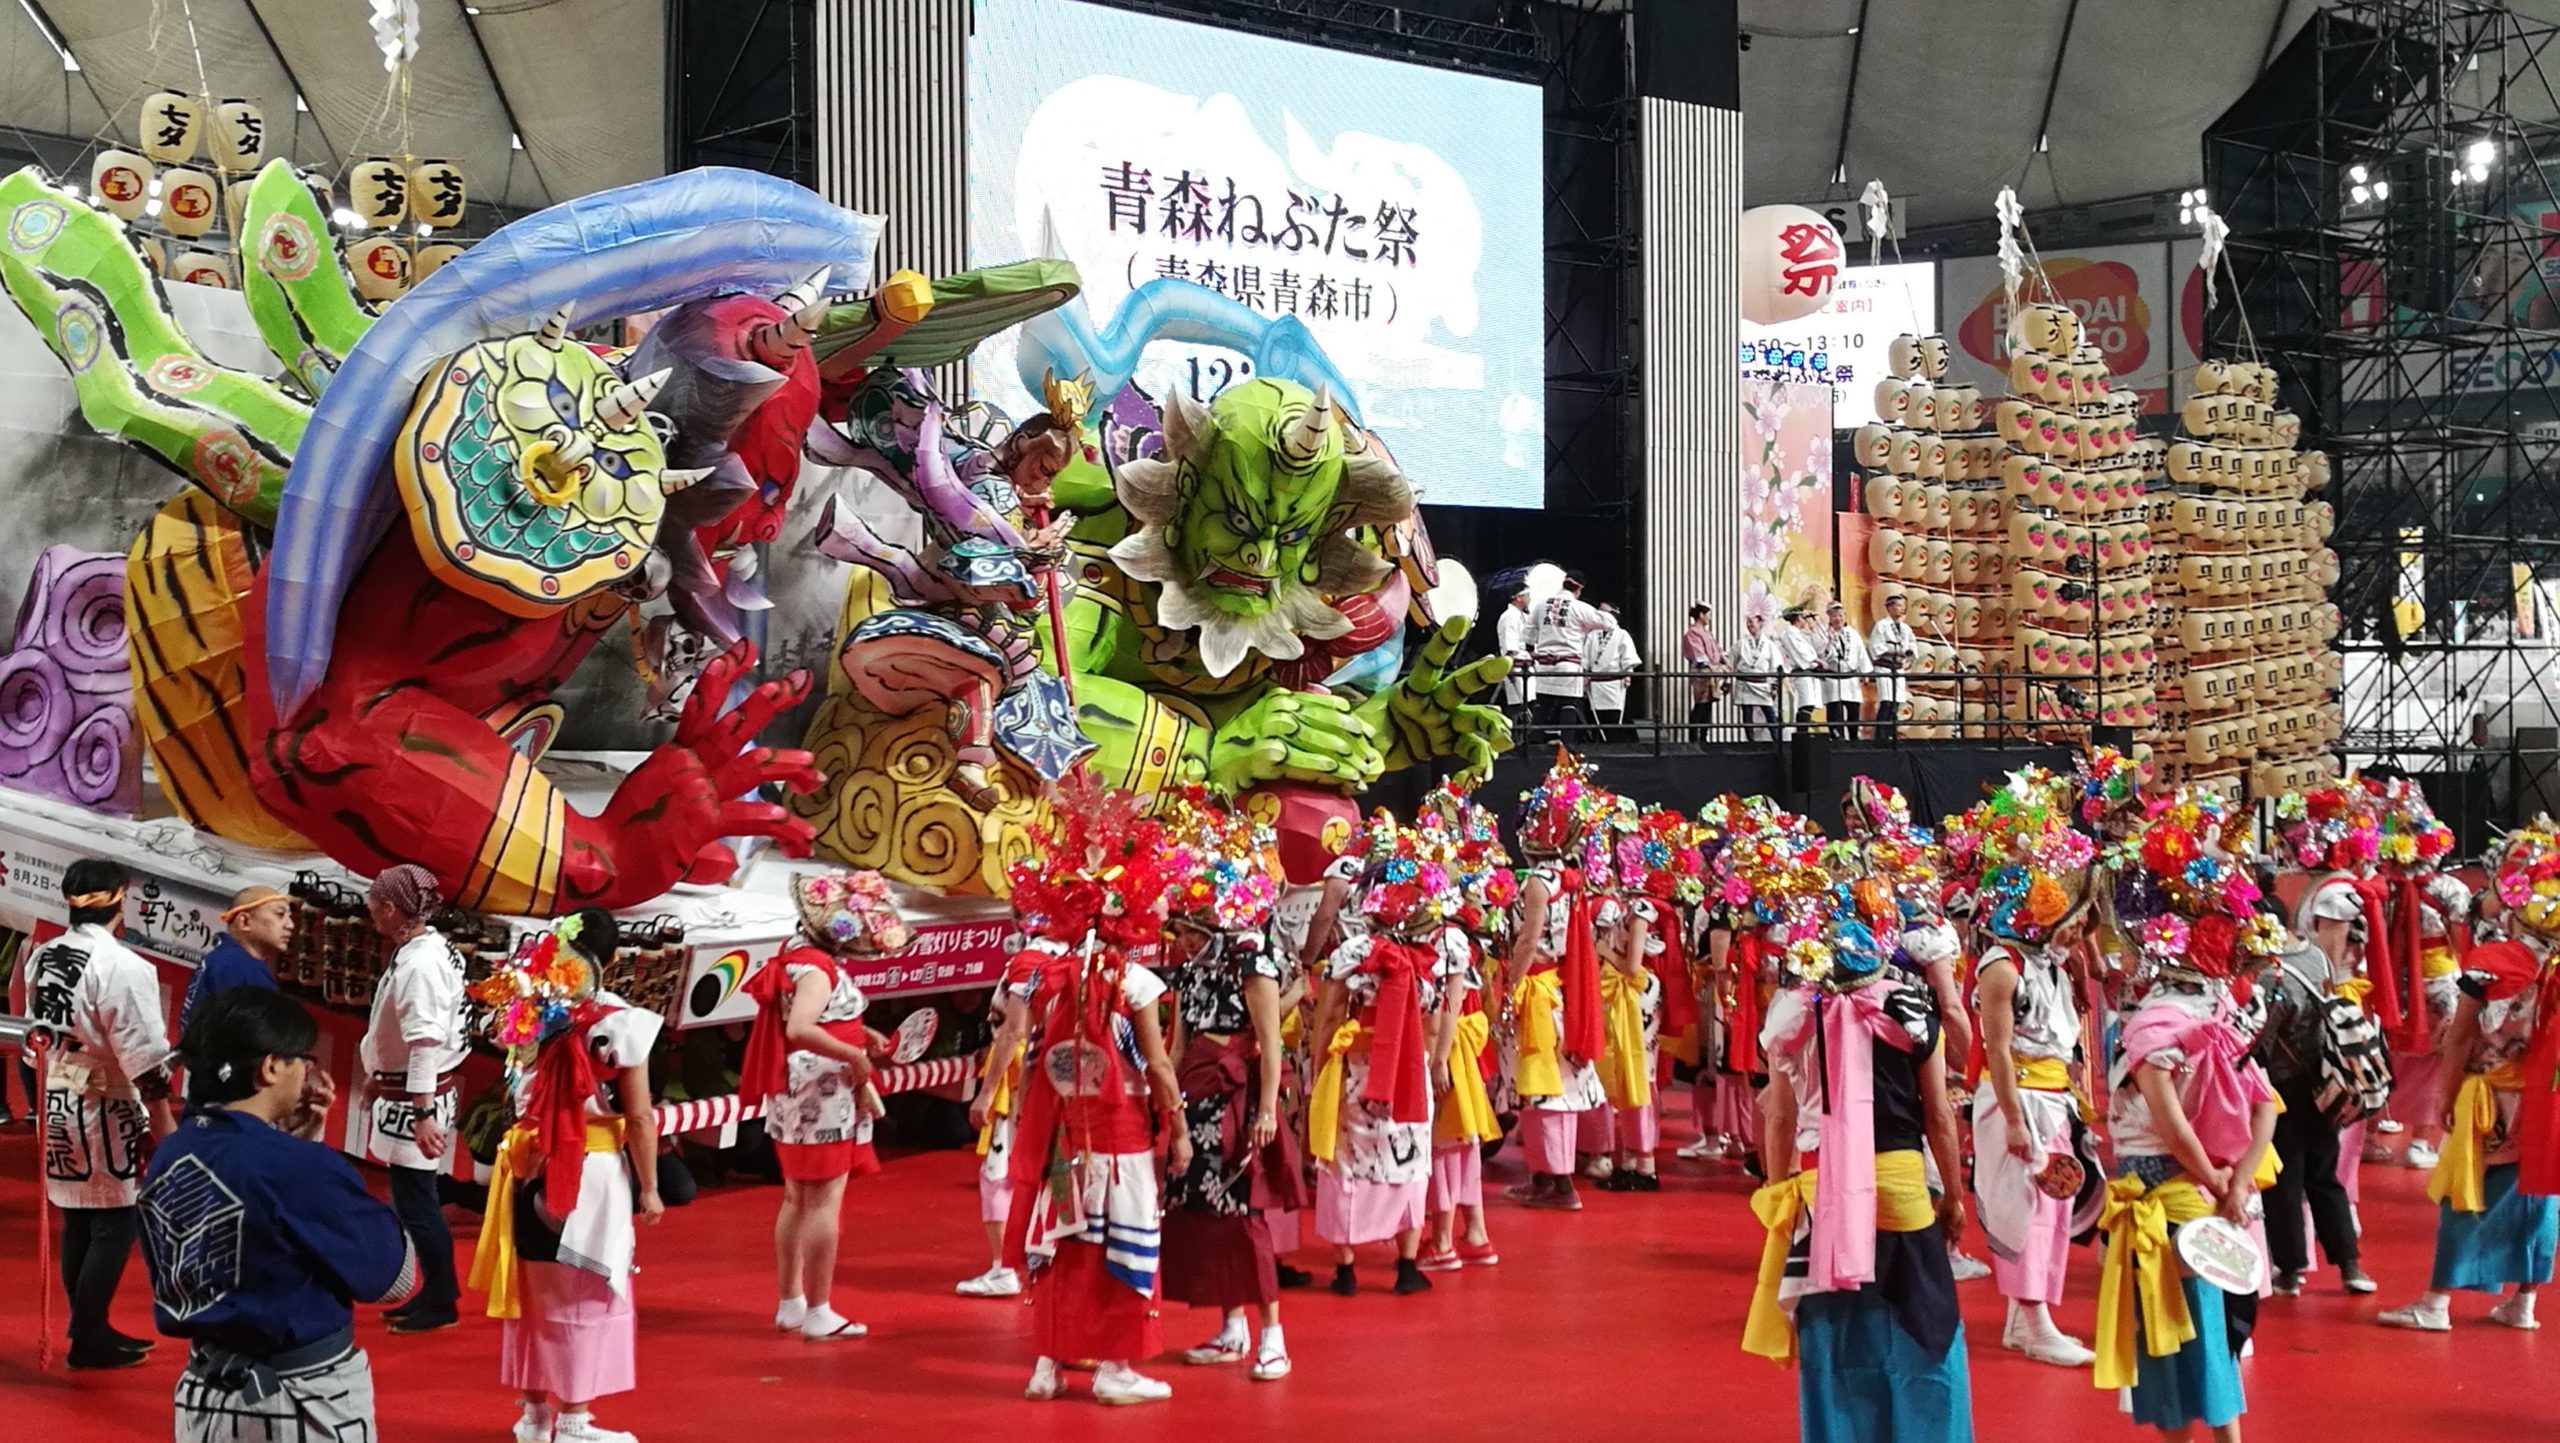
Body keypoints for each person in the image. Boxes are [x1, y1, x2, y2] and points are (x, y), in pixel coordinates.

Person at [1744, 872, 1973, 1443]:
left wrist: (1778, 1193)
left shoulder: (1792, 1015)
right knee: (1924, 1334)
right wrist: (1954, 1194)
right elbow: (1938, 1116)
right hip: (1902, 1192)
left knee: (1836, 1343)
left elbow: (1777, 1114)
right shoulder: (1910, 1008)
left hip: (1820, 1197)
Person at [145, 988, 416, 1440]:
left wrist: (296, 1146)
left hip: (202, 1397)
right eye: (301, 1058)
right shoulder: (295, 1168)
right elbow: (396, 1280)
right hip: (296, 1400)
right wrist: (311, 1160)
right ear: (270, 1067)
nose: (307, 1070)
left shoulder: (173, 1150)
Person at [2095, 808, 2280, 1443]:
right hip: (2220, 1193)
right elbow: (2264, 1108)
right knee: (2215, 1334)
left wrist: (2211, 1183)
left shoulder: (2151, 1027)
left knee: (2172, 1335)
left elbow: (2173, 1130)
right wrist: (2236, 1187)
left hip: (2171, 1195)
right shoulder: (2226, 1014)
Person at [1002, 779, 1187, 1406]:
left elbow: (1026, 1054)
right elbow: (1158, 1068)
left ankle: (1048, 1368)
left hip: (1060, 1140)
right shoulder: (1135, 981)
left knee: (1061, 1241)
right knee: (1121, 1244)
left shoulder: (1048, 974)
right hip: (1122, 1143)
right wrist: (1180, 1129)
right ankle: (1114, 1368)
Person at [471, 910, 667, 1443]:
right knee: (582, 1292)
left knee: (534, 1292)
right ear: (614, 959)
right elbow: (640, 1116)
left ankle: (535, 1417)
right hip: (589, 1170)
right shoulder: (618, 1022)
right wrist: (649, 1187)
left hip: (526, 1163)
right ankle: (575, 1420)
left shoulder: (530, 1009)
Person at [2377, 820, 2560, 1333]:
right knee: (2540, 1193)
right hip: (2548, 1101)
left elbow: (2460, 1038)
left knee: (2466, 1193)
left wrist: (2446, 1093)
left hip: (2491, 1098)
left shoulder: (2492, 962)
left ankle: (2436, 1302)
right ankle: (2523, 1302)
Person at [1156, 796, 1301, 1382]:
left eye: (1191, 933)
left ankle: (1273, 1336)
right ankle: (1230, 1326)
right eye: (1182, 933)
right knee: (1204, 1213)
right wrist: (1169, 1108)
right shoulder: (1190, 969)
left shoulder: (1253, 963)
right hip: (1197, 1096)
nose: (1185, 943)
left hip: (1238, 1099)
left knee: (1243, 1214)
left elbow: (1271, 1040)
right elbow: (1176, 1040)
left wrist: (1267, 1110)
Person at [740, 870, 905, 1343]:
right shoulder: (818, 969)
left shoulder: (795, 956)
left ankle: (792, 1302)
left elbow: (813, 1021)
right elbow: (801, 1028)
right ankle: (818, 1309)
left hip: (795, 1086)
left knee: (796, 1195)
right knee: (824, 1199)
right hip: (821, 1089)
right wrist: (854, 1054)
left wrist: (860, 1034)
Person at [28, 858, 177, 1368]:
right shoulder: (124, 967)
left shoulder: (43, 955)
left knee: (78, 1220)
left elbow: (33, 1037)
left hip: (57, 1095)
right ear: (120, 897)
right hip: (103, 1099)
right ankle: (87, 1331)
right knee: (114, 1221)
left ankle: (90, 1326)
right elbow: (145, 1056)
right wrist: (163, 1123)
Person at [1310, 827, 1462, 1297]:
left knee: (1346, 1157)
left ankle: (1346, 1270)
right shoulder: (1432, 958)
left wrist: (1317, 1065)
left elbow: (1331, 1012)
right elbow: (1438, 1018)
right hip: (1408, 1071)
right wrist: (1436, 1063)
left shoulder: (1354, 953)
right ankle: (1407, 1265)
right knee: (1409, 1157)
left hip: (1356, 1063)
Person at [1969, 861, 2102, 1366]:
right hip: (2020, 1101)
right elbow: (1998, 1050)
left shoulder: (2052, 961)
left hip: (2053, 1100)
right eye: (2073, 918)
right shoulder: (2002, 967)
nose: (2079, 929)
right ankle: (2034, 1322)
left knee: (2054, 1208)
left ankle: (2020, 1322)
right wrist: (2014, 1120)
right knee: (2028, 1211)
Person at [1498, 752, 1609, 1212]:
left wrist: (1508, 989)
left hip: (1541, 992)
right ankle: (1548, 1177)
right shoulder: (1571, 878)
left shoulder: (1539, 884)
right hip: (1561, 990)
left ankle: (1557, 1181)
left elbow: (1528, 941)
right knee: (1550, 1088)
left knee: (1545, 1089)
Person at [359, 864, 467, 1335]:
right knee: (415, 1200)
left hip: (416, 1098)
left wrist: (423, 1113)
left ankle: (442, 1297)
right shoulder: (425, 949)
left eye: (372, 903)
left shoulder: (420, 964)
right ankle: (437, 1291)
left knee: (418, 1203)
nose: (368, 911)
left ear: (388, 908)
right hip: (406, 1089)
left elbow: (424, 1043)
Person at [2252, 926, 2374, 1296]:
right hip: (2326, 1078)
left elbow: (2264, 1038)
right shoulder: (2316, 954)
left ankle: (2290, 1270)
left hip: (2285, 1085)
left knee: (2285, 1179)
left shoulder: (2268, 974)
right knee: (2324, 1173)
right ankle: (2349, 1264)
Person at [179, 886, 295, 1032]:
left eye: (289, 916)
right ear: (244, 921)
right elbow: (261, 1037)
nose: (290, 925)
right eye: (280, 915)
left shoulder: (225, 957)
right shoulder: (240, 966)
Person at [1528, 574, 1610, 741]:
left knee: (1542, 702)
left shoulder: (1541, 604)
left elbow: (1528, 633)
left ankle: (1535, 742)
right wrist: (1585, 627)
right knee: (1569, 702)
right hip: (1568, 664)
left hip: (1543, 663)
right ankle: (1567, 744)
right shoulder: (1579, 607)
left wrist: (1531, 647)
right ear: (1579, 589)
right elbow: (1609, 623)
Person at [1583, 603, 1642, 737]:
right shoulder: (1592, 635)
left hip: (1614, 683)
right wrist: (1585, 675)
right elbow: (1585, 658)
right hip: (1596, 683)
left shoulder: (1622, 634)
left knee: (1615, 717)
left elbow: (1628, 658)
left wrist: (1628, 674)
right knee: (1596, 717)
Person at [1821, 600, 1872, 740]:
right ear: (1829, 617)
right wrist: (1830, 642)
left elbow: (1861, 653)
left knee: (1853, 710)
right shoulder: (1823, 634)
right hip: (1833, 677)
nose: (1838, 619)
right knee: (1834, 710)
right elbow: (1821, 654)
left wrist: (1865, 673)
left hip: (1851, 678)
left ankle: (1854, 737)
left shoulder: (1853, 634)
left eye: (1840, 615)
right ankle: (1835, 737)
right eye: (1834, 615)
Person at [1867, 593, 1916, 738]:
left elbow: (1912, 644)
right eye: (1899, 605)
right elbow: (1876, 647)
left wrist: (1909, 654)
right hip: (1885, 667)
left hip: (1898, 667)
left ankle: (1891, 734)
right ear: (1890, 607)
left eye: (1903, 606)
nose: (1902, 609)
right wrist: (1893, 650)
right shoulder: (1881, 626)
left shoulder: (1906, 628)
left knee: (1896, 703)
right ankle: (1881, 736)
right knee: (1886, 701)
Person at [1732, 611, 1784, 743]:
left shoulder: (1769, 644)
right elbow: (1730, 661)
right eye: (1748, 622)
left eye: (1752, 622)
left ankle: (1777, 740)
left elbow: (1776, 665)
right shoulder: (1741, 643)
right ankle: (1750, 741)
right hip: (1745, 682)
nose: (1749, 625)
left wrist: (1774, 686)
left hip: (1762, 683)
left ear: (1760, 623)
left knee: (1770, 713)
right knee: (1747, 714)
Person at [1681, 603, 1729, 745]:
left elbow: (1718, 649)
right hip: (1701, 674)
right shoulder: (1692, 633)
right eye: (1709, 614)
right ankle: (1695, 737)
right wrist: (1711, 665)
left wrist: (1725, 661)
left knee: (1708, 705)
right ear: (1701, 615)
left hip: (1711, 672)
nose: (1710, 617)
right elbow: (1697, 655)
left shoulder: (1707, 633)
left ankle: (1703, 736)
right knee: (1701, 704)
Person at [1779, 605, 1825, 733]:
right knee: (1805, 703)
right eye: (1804, 617)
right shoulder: (1790, 633)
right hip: (1801, 672)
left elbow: (1819, 646)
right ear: (1799, 618)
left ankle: (1803, 732)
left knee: (1809, 704)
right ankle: (1801, 733)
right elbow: (1801, 652)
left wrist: (1815, 628)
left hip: (1809, 673)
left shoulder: (1800, 634)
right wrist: (1816, 660)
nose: (1806, 620)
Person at [1497, 589, 1532, 722]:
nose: (1529, 599)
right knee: (1517, 706)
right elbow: (1509, 646)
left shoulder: (1523, 616)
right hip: (1516, 665)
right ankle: (1515, 738)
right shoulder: (1508, 617)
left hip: (1526, 665)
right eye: (1527, 595)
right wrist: (1511, 668)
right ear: (1518, 597)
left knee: (1528, 703)